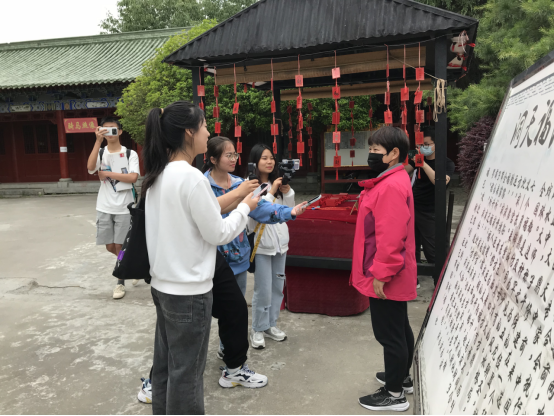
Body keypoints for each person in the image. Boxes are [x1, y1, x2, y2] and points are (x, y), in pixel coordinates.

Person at [142, 101, 260, 415]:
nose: (208, 133)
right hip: (189, 293)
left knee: (166, 369)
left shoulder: (158, 174)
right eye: (205, 126)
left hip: (163, 286)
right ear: (188, 132)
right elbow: (219, 233)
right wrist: (245, 206)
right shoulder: (192, 178)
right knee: (187, 376)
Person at [351, 127, 417, 412]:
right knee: (398, 327)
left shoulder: (390, 186)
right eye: (371, 149)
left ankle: (394, 393)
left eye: (376, 150)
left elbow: (390, 236)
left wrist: (382, 273)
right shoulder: (393, 179)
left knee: (389, 333)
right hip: (391, 270)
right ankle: (401, 378)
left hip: (387, 272)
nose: (371, 154)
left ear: (394, 154)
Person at [247, 144, 296, 350]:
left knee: (277, 287)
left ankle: (270, 324)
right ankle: (258, 328)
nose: (269, 162)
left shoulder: (278, 182)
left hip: (280, 244)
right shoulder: (250, 186)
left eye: (271, 158)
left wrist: (287, 191)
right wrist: (272, 191)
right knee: (263, 289)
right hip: (262, 246)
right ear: (255, 161)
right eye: (264, 158)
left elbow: (288, 211)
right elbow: (258, 211)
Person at [86, 117, 140, 300]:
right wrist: (97, 141)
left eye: (113, 129)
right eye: (105, 129)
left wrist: (107, 173)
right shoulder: (101, 152)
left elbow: (133, 177)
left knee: (120, 245)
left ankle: (120, 281)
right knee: (110, 246)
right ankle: (134, 264)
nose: (109, 132)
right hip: (104, 205)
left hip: (124, 206)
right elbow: (90, 168)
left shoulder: (130, 153)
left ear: (120, 131)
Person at [405, 126, 455, 285]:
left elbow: (439, 182)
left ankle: (439, 282)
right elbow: (404, 171)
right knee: (411, 246)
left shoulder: (446, 163)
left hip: (430, 211)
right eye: (420, 145)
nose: (422, 148)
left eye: (426, 145)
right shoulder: (418, 159)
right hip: (413, 208)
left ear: (436, 144)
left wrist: (423, 164)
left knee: (432, 249)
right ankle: (412, 279)